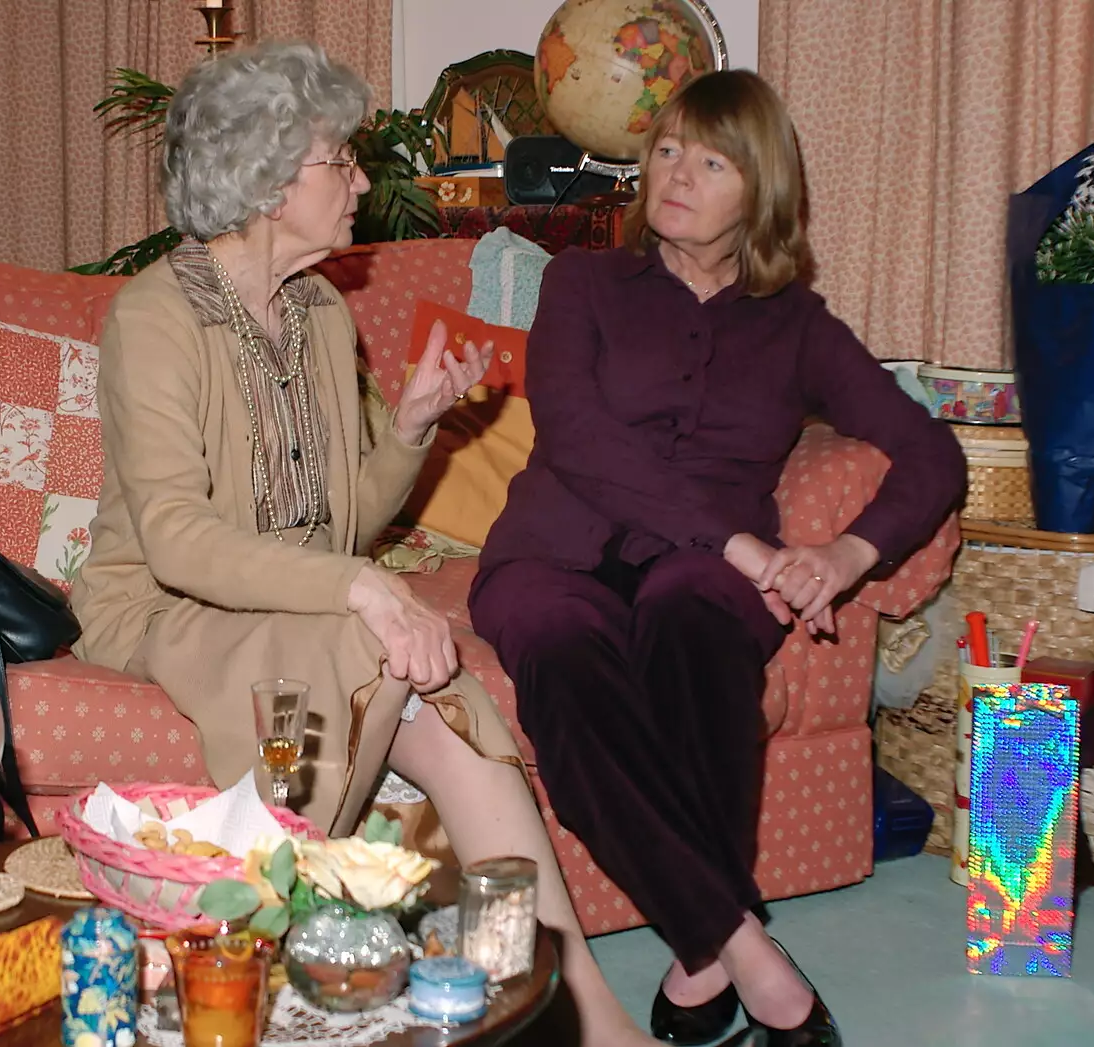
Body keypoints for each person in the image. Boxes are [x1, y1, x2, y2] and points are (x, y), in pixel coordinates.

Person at [70, 41, 661, 1047]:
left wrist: (410, 427)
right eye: (337, 159)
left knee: (443, 683)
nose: (359, 179)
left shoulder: (318, 313)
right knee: (369, 638)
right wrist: (360, 591)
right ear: (264, 183)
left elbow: (349, 523)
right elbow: (174, 540)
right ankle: (280, 969)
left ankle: (584, 1016)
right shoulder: (156, 317)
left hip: (293, 599)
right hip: (168, 608)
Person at [468, 70, 965, 1047]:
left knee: (694, 622)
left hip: (706, 577)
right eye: (665, 151)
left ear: (761, 192)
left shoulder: (799, 330)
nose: (675, 174)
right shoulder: (583, 284)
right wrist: (744, 544)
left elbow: (932, 454)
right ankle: (742, 949)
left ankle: (701, 954)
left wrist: (843, 555)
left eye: (709, 159)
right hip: (554, 548)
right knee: (561, 652)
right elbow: (575, 435)